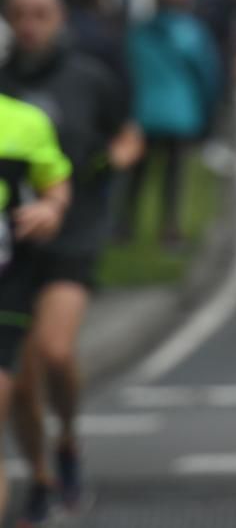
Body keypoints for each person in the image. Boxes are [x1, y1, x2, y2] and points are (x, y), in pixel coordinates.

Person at [0, 0, 137, 525]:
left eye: (42, 13)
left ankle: (69, 440)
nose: (30, 25)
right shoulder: (5, 82)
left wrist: (118, 157)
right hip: (16, 247)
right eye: (20, 14)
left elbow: (127, 133)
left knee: (56, 352)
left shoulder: (89, 77)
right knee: (22, 380)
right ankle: (38, 473)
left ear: (60, 17)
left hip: (73, 228)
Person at [0, 93, 71, 519]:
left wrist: (51, 209)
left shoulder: (24, 122)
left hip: (7, 287)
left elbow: (56, 185)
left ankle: (48, 467)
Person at [123, 0, 222, 244]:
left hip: (144, 111)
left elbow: (127, 71)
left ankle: (125, 226)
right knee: (173, 175)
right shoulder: (192, 33)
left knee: (138, 173)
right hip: (181, 113)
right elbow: (208, 74)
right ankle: (169, 229)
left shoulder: (139, 33)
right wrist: (209, 111)